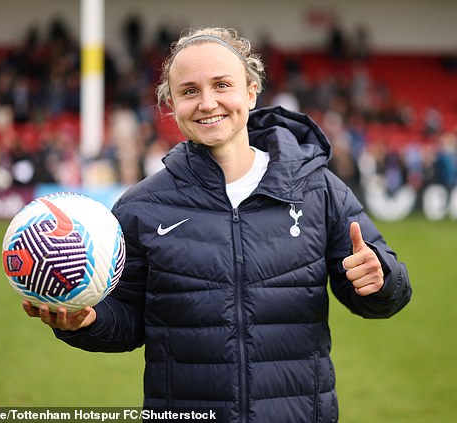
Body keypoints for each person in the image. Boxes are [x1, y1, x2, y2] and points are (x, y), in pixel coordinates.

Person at [23, 27, 412, 423]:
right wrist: (86, 322)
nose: (207, 103)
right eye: (189, 91)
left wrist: (380, 278)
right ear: (171, 105)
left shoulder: (318, 188)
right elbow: (129, 320)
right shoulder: (141, 207)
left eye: (222, 85)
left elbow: (387, 293)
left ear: (251, 91)